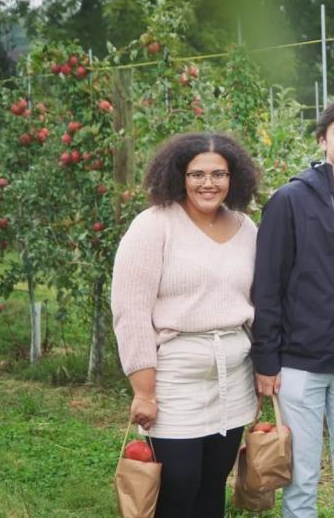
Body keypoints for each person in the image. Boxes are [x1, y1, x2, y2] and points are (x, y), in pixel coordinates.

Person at [111, 132, 260, 518]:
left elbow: (260, 303)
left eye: (218, 174)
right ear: (179, 176)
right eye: (197, 174)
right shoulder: (154, 225)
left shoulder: (247, 229)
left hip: (233, 378)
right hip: (177, 377)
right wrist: (144, 390)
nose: (208, 183)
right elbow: (130, 311)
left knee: (213, 486)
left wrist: (263, 373)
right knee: (178, 487)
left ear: (234, 178)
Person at [251, 95, 334, 517]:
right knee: (301, 478)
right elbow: (267, 285)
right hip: (299, 365)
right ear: (323, 140)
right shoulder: (291, 200)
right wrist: (266, 359)